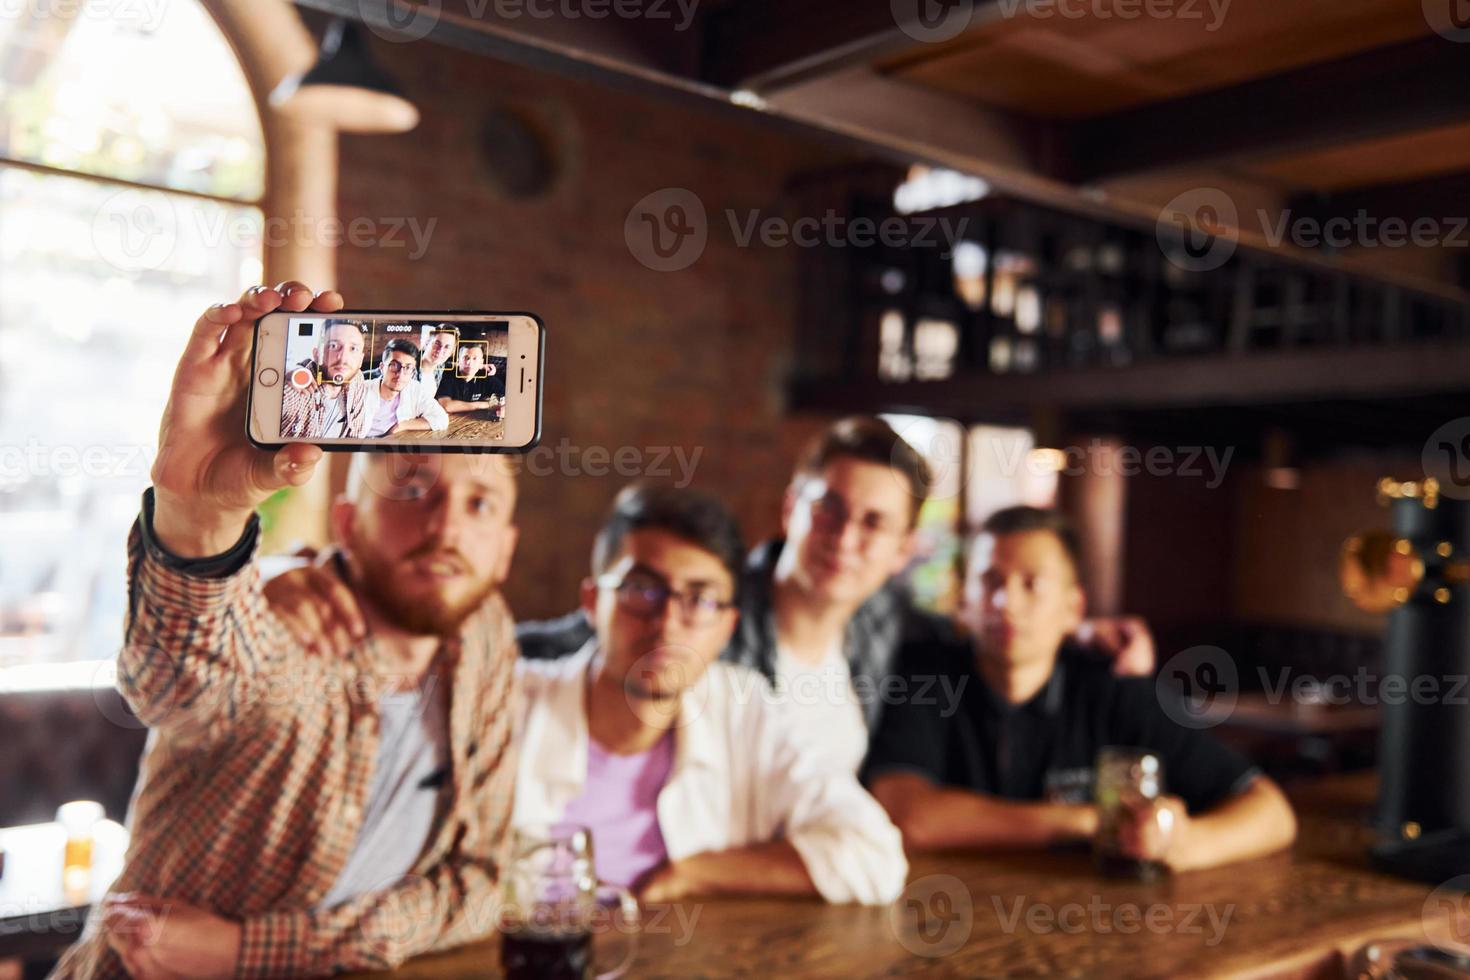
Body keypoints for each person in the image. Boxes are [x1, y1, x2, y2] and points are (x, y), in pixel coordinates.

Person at [51, 283, 522, 980]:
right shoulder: (287, 617)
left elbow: (481, 884)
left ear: (507, 547)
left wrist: (246, 952)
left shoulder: (484, 638)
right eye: (410, 489)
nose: (446, 527)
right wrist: (198, 514)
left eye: (479, 503)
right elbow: (177, 686)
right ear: (345, 524)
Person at [516, 417, 1157, 775]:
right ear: (793, 507)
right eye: (829, 510)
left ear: (903, 548)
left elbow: (976, 632)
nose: (845, 538)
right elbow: (584, 636)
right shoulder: (707, 606)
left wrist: (1073, 633)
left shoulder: (888, 621)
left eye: (875, 523)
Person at [513, 484, 907, 905]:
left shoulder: (744, 710)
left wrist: (694, 874)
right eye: (642, 589)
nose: (666, 624)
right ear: (592, 600)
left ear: (727, 628)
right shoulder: (511, 702)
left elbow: (874, 856)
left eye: (699, 599)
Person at [865, 506, 1298, 872]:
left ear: (1073, 608)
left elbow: (1271, 812)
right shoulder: (926, 676)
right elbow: (907, 815)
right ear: (965, 601)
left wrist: (1180, 842)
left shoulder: (1114, 687)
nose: (1006, 603)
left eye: (1031, 584)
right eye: (991, 582)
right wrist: (1090, 822)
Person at [281, 320, 371, 438]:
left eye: (353, 348)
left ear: (360, 360)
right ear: (316, 354)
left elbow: (356, 432)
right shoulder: (298, 390)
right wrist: (287, 372)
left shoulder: (356, 378)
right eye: (333, 346)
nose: (343, 358)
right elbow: (284, 397)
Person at [364, 339, 449, 438]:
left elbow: (441, 419)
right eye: (394, 365)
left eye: (408, 368)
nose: (400, 374)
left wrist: (401, 426)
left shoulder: (415, 389)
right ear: (382, 368)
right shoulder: (362, 390)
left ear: (413, 373)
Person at [436, 344, 497, 415]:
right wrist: (485, 404)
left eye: (475, 358)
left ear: (481, 362)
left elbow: (506, 398)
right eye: (466, 358)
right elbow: (447, 406)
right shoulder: (447, 375)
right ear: (458, 360)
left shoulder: (487, 377)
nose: (469, 363)